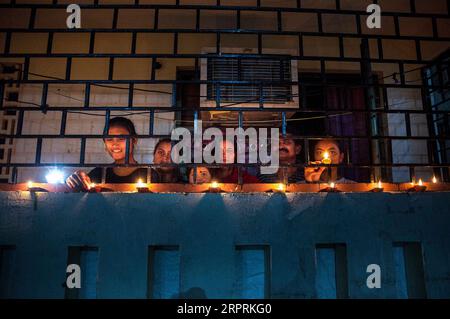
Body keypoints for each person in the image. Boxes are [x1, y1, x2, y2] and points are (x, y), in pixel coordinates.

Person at [66, 117, 147, 190]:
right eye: (109, 139)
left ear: (134, 140)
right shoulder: (98, 174)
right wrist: (73, 180)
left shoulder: (149, 175)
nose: (115, 144)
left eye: (121, 138)